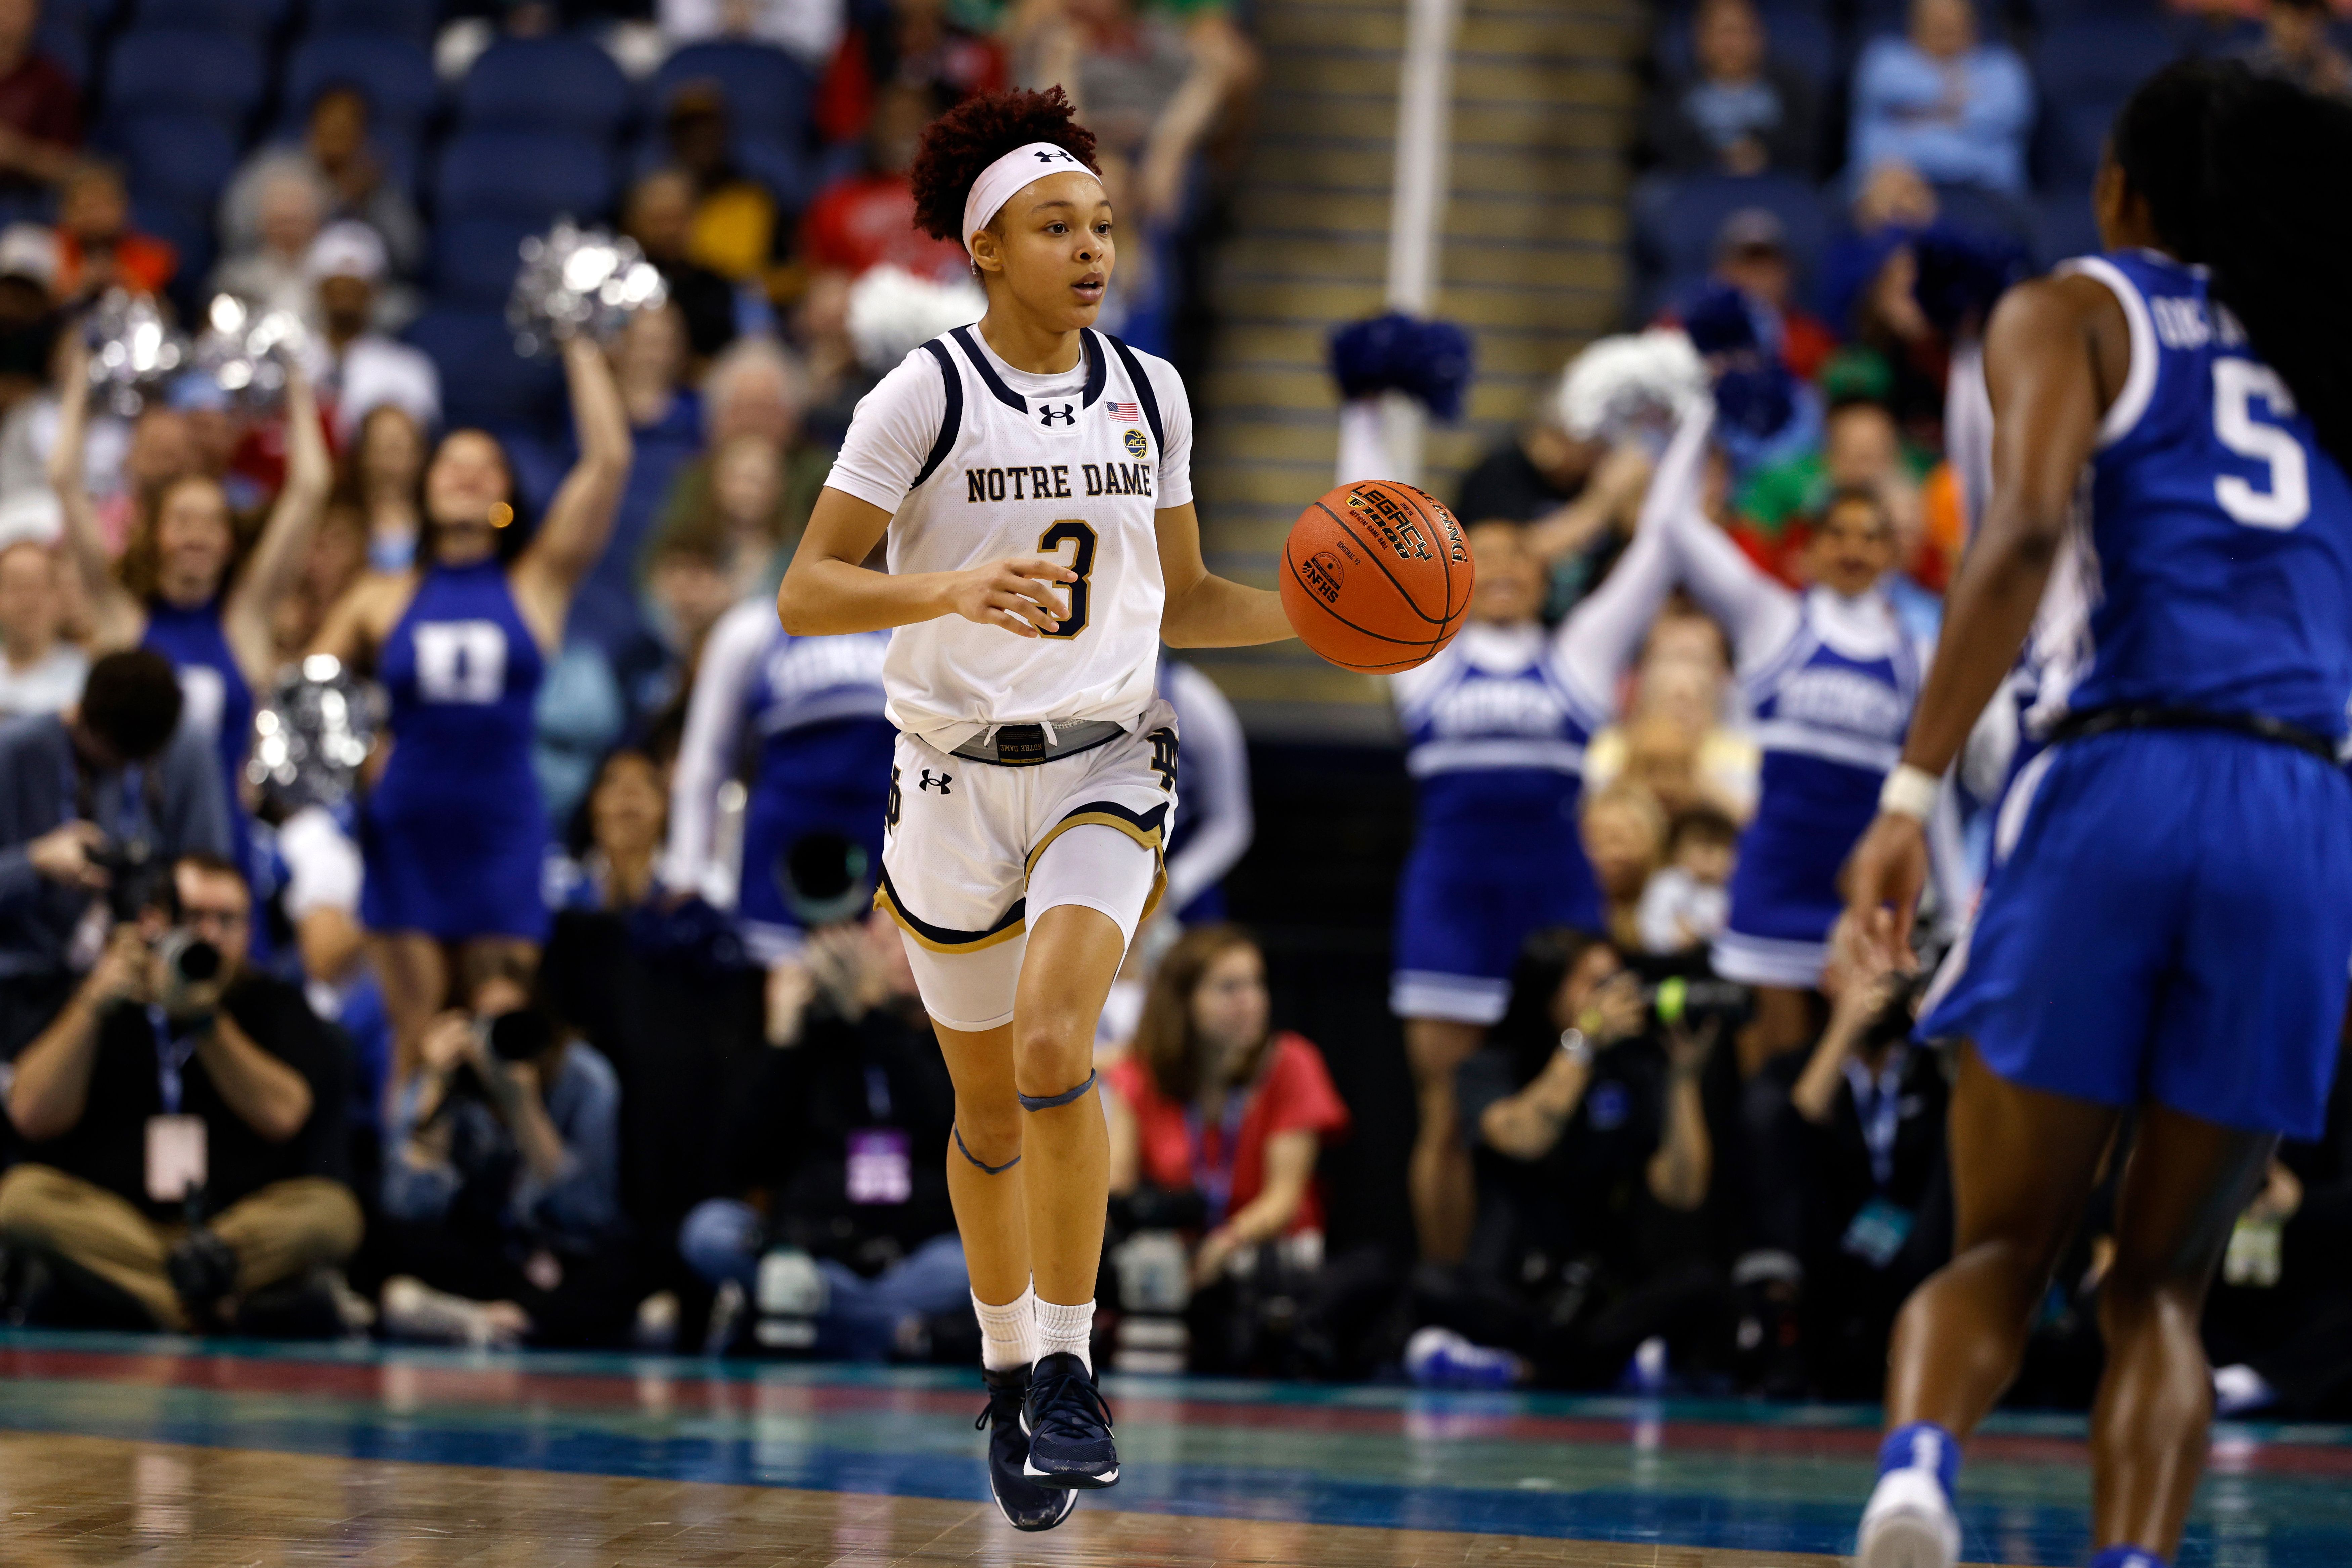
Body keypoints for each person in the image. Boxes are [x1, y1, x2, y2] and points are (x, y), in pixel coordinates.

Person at [1841, 64, 2352, 1568]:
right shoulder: (2330, 344)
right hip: (2298, 801)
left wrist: (1908, 790)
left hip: (2116, 773)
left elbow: (2019, 531)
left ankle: (1920, 1474)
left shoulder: (2072, 306)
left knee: (1999, 1243)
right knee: (2165, 1289)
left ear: (2120, 189)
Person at [773, 86, 1297, 1528]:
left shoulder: (1154, 391)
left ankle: (1065, 1367)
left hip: (1104, 759)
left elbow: (1186, 602)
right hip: (944, 772)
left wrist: (1325, 620)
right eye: (1054, 226)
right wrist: (941, 583)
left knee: (1061, 1042)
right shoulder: (921, 395)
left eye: (1102, 226)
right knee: (986, 1107)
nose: (1089, 249)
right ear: (985, 248)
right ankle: (1007, 1371)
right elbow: (806, 590)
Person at [1389, 412, 1702, 1267]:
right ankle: (1443, 1308)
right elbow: (1361, 520)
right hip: (1451, 906)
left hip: (1556, 909)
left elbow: (1656, 555)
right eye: (1481, 560)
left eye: (1521, 559)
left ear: (1546, 577)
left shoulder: (1579, 657)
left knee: (1588, 1088)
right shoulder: (1421, 657)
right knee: (1448, 1116)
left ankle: (1571, 1280)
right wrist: (1362, 405)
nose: (1500, 572)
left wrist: (1690, 420)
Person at [309, 330, 630, 1083]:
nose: (464, 474)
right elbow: (307, 694)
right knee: (414, 1039)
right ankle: (403, 1194)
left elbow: (609, 462)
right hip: (407, 829)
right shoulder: (378, 596)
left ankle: (511, 1196)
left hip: (502, 830)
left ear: (505, 494)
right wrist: (357, 760)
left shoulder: (535, 584)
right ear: (422, 485)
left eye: (484, 466)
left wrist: (579, 345)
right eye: (449, 462)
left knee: (507, 1036)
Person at [0, 852, 360, 1332]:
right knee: (20, 1199)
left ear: (248, 931)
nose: (209, 935)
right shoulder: (104, 991)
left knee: (332, 1213)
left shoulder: (273, 1002)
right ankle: (203, 1301)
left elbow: (284, 1114)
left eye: (227, 921)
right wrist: (93, 1003)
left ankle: (178, 1287)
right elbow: (30, 1113)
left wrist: (205, 1020)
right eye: (194, 918)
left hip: (234, 1230)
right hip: (120, 1229)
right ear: (157, 922)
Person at [1657, 467, 1924, 1077]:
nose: (1853, 548)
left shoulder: (1917, 653)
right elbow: (1675, 520)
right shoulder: (1773, 620)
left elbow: (1929, 799)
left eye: (1870, 536)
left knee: (1856, 1088)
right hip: (1771, 886)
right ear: (1811, 546)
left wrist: (1952, 900)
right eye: (1838, 533)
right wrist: (1701, 403)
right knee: (1767, 1092)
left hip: (1858, 897)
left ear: (1893, 552)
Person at [51, 332, 332, 896]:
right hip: (134, 849)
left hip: (224, 851)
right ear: (155, 537)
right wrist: (84, 380)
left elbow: (310, 488)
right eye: (182, 521)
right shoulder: (122, 621)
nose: (196, 535)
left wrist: (296, 384)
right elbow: (64, 480)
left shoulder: (243, 623)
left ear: (230, 543)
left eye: (211, 522)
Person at [678, 908, 967, 1360]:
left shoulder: (955, 1038)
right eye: (886, 942)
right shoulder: (813, 1040)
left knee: (981, 1262)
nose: (897, 955)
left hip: (916, 1254)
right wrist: (781, 1037)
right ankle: (894, 1332)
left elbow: (947, 1125)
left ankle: (817, 1321)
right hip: (811, 1252)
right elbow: (740, 1158)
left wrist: (873, 1016)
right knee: (709, 1230)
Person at [1443, 927, 1721, 1389]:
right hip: (1513, 1287)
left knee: (1698, 1284)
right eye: (1595, 985)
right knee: (1433, 1286)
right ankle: (1603, 1365)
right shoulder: (1490, 1066)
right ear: (1547, 990)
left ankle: (1524, 1369)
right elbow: (1523, 1138)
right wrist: (1582, 1042)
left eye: (1618, 982)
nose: (1615, 998)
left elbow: (1683, 1189)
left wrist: (1682, 1079)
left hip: (1598, 1291)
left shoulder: (1635, 1068)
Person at [1103, 924, 1350, 1368]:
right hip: (1174, 1262)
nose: (1250, 1001)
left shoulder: (1291, 1062)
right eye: (1229, 988)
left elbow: (1283, 1198)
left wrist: (1225, 1242)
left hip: (1265, 1258)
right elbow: (1115, 1183)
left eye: (1256, 984)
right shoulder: (1143, 1074)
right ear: (1184, 1002)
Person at [377, 949, 630, 1348]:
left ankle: (489, 1319)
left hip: (562, 1258)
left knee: (627, 1261)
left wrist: (523, 1108)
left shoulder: (585, 1078)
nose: (499, 1038)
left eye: (514, 1022)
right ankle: (530, 1319)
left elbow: (592, 1215)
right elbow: (405, 1208)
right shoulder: (442, 1078)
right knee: (388, 1240)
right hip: (482, 1257)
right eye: (487, 1024)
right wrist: (434, 1097)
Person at [0, 650, 228, 1049]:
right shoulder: (16, 752)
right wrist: (35, 862)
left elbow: (212, 868)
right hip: (25, 983)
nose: (123, 772)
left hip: (136, 971)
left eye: (137, 764)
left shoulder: (181, 743)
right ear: (84, 720)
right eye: (115, 759)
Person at [663, 597, 892, 964]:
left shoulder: (914, 624)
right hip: (776, 878)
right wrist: (687, 874)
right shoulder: (752, 629)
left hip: (885, 886)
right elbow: (707, 761)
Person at [219, 85, 424, 282]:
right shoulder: (274, 169)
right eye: (330, 123)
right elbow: (232, 228)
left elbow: (409, 257)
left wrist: (368, 202)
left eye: (347, 126)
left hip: (342, 296)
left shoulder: (376, 184)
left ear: (363, 133)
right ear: (312, 125)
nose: (337, 134)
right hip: (272, 280)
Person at [1848, 0, 2032, 198]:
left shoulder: (2002, 67)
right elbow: (1886, 89)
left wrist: (1918, 112)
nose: (1945, 25)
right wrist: (1959, 100)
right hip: (1896, 188)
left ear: (1972, 24)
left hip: (1985, 194)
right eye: (1935, 22)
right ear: (1915, 24)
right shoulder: (1886, 59)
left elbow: (2005, 114)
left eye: (1953, 22)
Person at [1642, 0, 1817, 178]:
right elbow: (1663, 146)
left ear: (1759, 36)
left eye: (1738, 31)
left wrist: (1761, 150)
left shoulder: (1790, 86)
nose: (1730, 45)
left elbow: (1807, 144)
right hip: (1697, 186)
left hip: (1774, 186)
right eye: (1721, 32)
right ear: (1700, 38)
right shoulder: (1676, 90)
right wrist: (1720, 157)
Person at [305, 223, 439, 443]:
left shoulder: (409, 369)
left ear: (375, 292)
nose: (345, 297)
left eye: (356, 287)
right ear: (318, 289)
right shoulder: (287, 361)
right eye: (336, 286)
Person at [621, 169, 738, 362]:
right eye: (660, 220)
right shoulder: (618, 287)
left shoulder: (716, 287)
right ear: (636, 222)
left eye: (678, 219)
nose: (669, 231)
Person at [53, 161, 174, 302]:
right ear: (65, 212)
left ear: (123, 207)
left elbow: (157, 305)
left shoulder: (154, 255)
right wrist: (80, 283)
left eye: (102, 206)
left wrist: (119, 278)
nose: (95, 217)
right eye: (85, 207)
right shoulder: (49, 250)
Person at [0, 533, 85, 718]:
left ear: (59, 596)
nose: (27, 601)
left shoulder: (85, 680)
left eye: (38, 586)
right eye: (17, 587)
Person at [1636, 803, 1738, 955]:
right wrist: (1674, 937)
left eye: (1721, 847)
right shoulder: (1668, 883)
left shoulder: (1732, 890)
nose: (1710, 857)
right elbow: (1649, 929)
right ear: (1677, 851)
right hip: (1671, 964)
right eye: (1702, 846)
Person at [0, 0, 78, 196]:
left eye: (18, 9)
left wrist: (17, 153)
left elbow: (70, 167)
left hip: (24, 203)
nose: (6, 18)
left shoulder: (50, 81)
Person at [2231, 0, 2352, 100]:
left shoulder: (2337, 70)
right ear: (2273, 14)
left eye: (2313, 16)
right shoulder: (2248, 69)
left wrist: (2337, 96)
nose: (2305, 25)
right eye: (2293, 13)